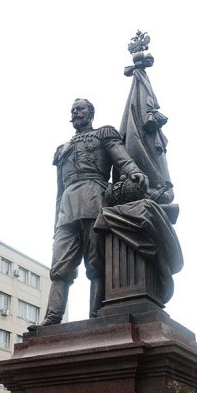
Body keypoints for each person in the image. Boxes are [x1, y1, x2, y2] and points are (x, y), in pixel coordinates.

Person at [38, 98, 148, 325]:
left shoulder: (103, 134)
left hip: (95, 199)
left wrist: (134, 171)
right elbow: (59, 191)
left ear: (91, 113)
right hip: (67, 209)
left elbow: (121, 158)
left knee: (96, 262)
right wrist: (55, 221)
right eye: (73, 110)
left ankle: (96, 314)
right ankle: (52, 317)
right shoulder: (62, 150)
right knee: (59, 266)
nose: (76, 112)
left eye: (81, 108)